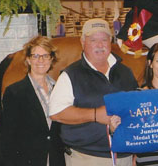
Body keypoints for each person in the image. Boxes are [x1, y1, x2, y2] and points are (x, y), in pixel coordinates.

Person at [49, 18, 138, 166]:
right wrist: (95, 115)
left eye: (104, 39)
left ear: (111, 41)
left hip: (125, 158)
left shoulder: (125, 72)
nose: (100, 45)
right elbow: (56, 112)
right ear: (83, 42)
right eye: (93, 40)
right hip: (87, 158)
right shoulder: (70, 75)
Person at [1, 36, 65, 166]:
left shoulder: (59, 89)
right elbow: (8, 137)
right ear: (28, 60)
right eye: (35, 56)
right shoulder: (14, 92)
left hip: (56, 159)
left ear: (52, 59)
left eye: (45, 56)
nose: (40, 60)